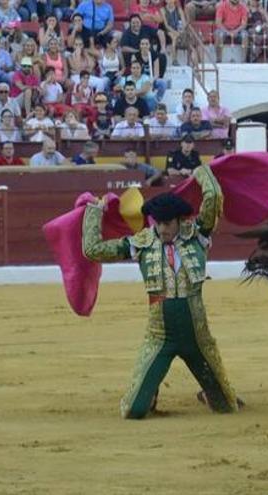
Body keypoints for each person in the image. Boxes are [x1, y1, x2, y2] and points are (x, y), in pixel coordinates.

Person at [81, 164, 239, 419]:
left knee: (227, 408)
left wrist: (200, 172)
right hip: (159, 335)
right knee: (133, 411)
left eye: (168, 224)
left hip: (197, 335)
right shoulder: (141, 243)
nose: (163, 229)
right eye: (159, 223)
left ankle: (209, 391)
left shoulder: (197, 234)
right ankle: (150, 391)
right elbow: (93, 250)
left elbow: (214, 197)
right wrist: (94, 212)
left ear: (180, 221)